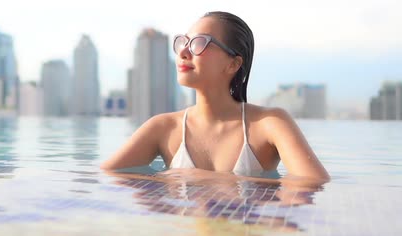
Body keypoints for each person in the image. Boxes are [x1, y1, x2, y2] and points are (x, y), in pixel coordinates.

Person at [101, 11, 329, 181]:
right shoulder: (163, 127)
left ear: (233, 64)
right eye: (183, 42)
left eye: (199, 43)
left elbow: (314, 183)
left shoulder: (270, 124)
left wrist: (201, 178)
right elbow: (106, 177)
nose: (183, 51)